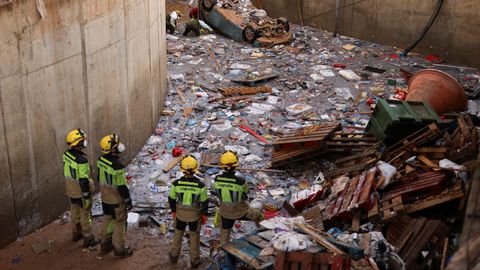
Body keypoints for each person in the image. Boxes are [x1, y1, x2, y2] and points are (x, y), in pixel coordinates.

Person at [212, 151, 264, 245]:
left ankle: (223, 250)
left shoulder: (216, 179)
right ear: (235, 165)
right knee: (259, 216)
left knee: (224, 236)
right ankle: (261, 234)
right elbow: (244, 196)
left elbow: (216, 193)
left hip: (224, 213)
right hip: (241, 212)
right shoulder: (241, 181)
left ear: (222, 165)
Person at [97, 134, 133, 258]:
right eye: (117, 146)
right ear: (112, 149)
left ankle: (105, 245)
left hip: (105, 199)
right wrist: (128, 201)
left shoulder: (100, 160)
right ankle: (119, 250)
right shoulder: (118, 166)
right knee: (119, 224)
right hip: (117, 201)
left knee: (107, 220)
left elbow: (98, 177)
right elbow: (122, 186)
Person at [168, 155, 208, 268]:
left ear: (182, 169)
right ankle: (194, 261)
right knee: (194, 237)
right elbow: (205, 202)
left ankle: (173, 256)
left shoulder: (175, 184)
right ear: (195, 169)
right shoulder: (201, 186)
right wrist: (204, 214)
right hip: (194, 217)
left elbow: (171, 199)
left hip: (180, 215)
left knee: (178, 234)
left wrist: (174, 211)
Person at [63, 129, 98, 248]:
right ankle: (88, 238)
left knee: (74, 212)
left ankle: (76, 233)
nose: (85, 142)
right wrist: (87, 195)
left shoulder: (66, 155)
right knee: (85, 215)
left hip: (71, 190)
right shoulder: (82, 160)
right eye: (83, 140)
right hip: (81, 192)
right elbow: (83, 179)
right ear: (78, 143)